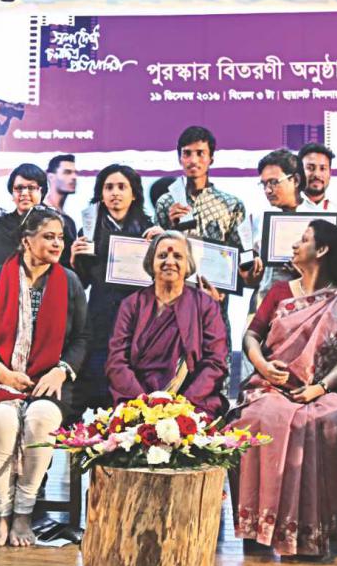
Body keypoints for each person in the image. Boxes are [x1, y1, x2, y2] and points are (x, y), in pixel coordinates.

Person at [233, 220, 337, 556]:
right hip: (270, 386)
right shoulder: (279, 291)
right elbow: (251, 335)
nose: (295, 245)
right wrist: (263, 366)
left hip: (318, 390)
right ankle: (260, 526)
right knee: (265, 417)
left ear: (321, 250)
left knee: (333, 418)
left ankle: (319, 530)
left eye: (304, 239)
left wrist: (319, 388)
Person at [0, 206, 88, 547]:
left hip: (49, 383)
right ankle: (1, 513)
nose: (57, 244)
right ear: (26, 241)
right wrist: (1, 372)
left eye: (60, 237)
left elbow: (82, 338)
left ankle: (23, 513)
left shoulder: (70, 282)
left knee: (40, 421)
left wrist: (61, 371)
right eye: (48, 237)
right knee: (2, 422)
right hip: (2, 381)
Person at [107, 231, 229, 418]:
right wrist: (143, 402)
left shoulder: (206, 305)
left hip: (191, 403)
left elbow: (215, 361)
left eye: (178, 256)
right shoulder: (131, 305)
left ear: (188, 265)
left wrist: (183, 405)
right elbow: (117, 360)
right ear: (151, 262)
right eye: (162, 256)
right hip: (136, 401)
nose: (170, 262)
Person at [69, 164, 152, 418]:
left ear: (134, 194)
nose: (115, 193)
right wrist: (74, 261)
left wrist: (160, 242)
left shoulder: (148, 230)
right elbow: (82, 282)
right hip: (99, 317)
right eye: (108, 187)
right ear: (101, 194)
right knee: (94, 384)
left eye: (122, 187)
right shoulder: (88, 229)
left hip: (137, 321)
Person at [153, 126, 248, 345]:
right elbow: (154, 256)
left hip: (215, 299)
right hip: (173, 302)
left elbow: (238, 255)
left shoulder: (231, 204)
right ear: (179, 158)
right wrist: (170, 227)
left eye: (200, 153)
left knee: (215, 359)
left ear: (211, 158)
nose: (193, 160)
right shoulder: (166, 202)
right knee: (172, 361)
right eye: (187, 153)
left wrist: (227, 287)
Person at [0, 163, 74, 271]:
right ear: (12, 193)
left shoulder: (59, 225)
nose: (24, 193)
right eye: (19, 188)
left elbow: (69, 268)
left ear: (42, 192)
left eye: (31, 188)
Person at [245, 149, 302, 305]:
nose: (268, 190)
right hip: (265, 305)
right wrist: (252, 274)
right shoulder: (257, 219)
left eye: (274, 182)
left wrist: (306, 274)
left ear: (295, 180)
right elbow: (247, 275)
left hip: (305, 307)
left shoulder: (318, 218)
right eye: (264, 184)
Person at [297, 142, 337, 215]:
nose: (317, 174)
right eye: (310, 168)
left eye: (322, 168)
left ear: (330, 173)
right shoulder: (285, 208)